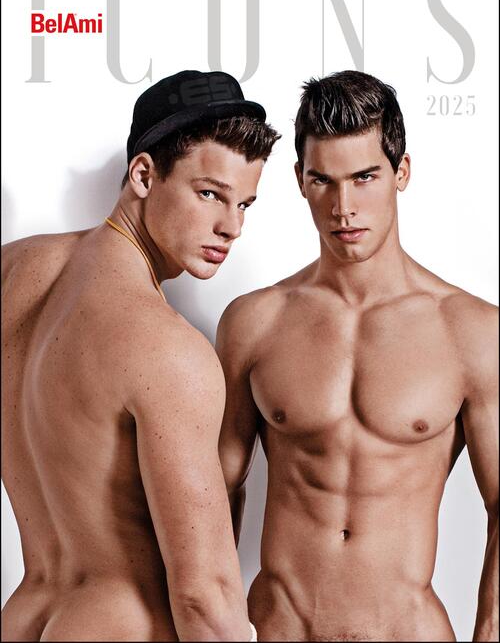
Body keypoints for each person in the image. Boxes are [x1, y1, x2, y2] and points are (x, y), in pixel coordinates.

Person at [217, 70, 498, 642]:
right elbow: (216, 490)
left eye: (364, 177)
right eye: (323, 180)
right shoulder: (254, 322)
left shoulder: (471, 330)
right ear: (299, 180)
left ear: (402, 171)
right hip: (279, 628)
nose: (343, 207)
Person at [1, 69, 279, 641]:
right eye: (210, 194)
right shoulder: (168, 349)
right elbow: (204, 597)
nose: (231, 227)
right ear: (145, 174)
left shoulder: (12, 270)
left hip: (24, 613)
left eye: (245, 204)